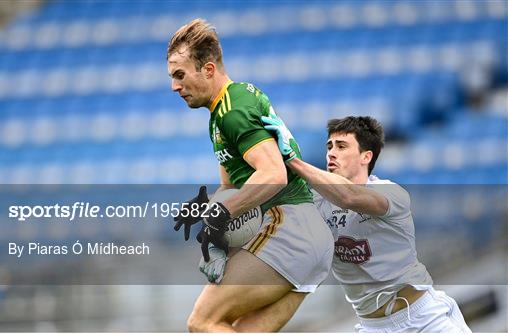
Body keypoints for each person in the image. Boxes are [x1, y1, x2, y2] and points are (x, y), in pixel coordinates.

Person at [167, 18, 334, 332]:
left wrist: (223, 211)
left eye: (180, 75)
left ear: (208, 70)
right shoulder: (222, 112)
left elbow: (273, 174)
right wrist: (207, 206)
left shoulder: (232, 111)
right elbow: (231, 186)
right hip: (310, 235)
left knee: (202, 321)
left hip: (289, 227)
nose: (174, 86)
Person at [259, 114, 472, 333]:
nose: (331, 152)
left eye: (342, 146)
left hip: (424, 320)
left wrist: (292, 160)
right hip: (373, 327)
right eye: (329, 146)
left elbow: (348, 197)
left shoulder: (391, 193)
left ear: (366, 156)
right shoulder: (316, 204)